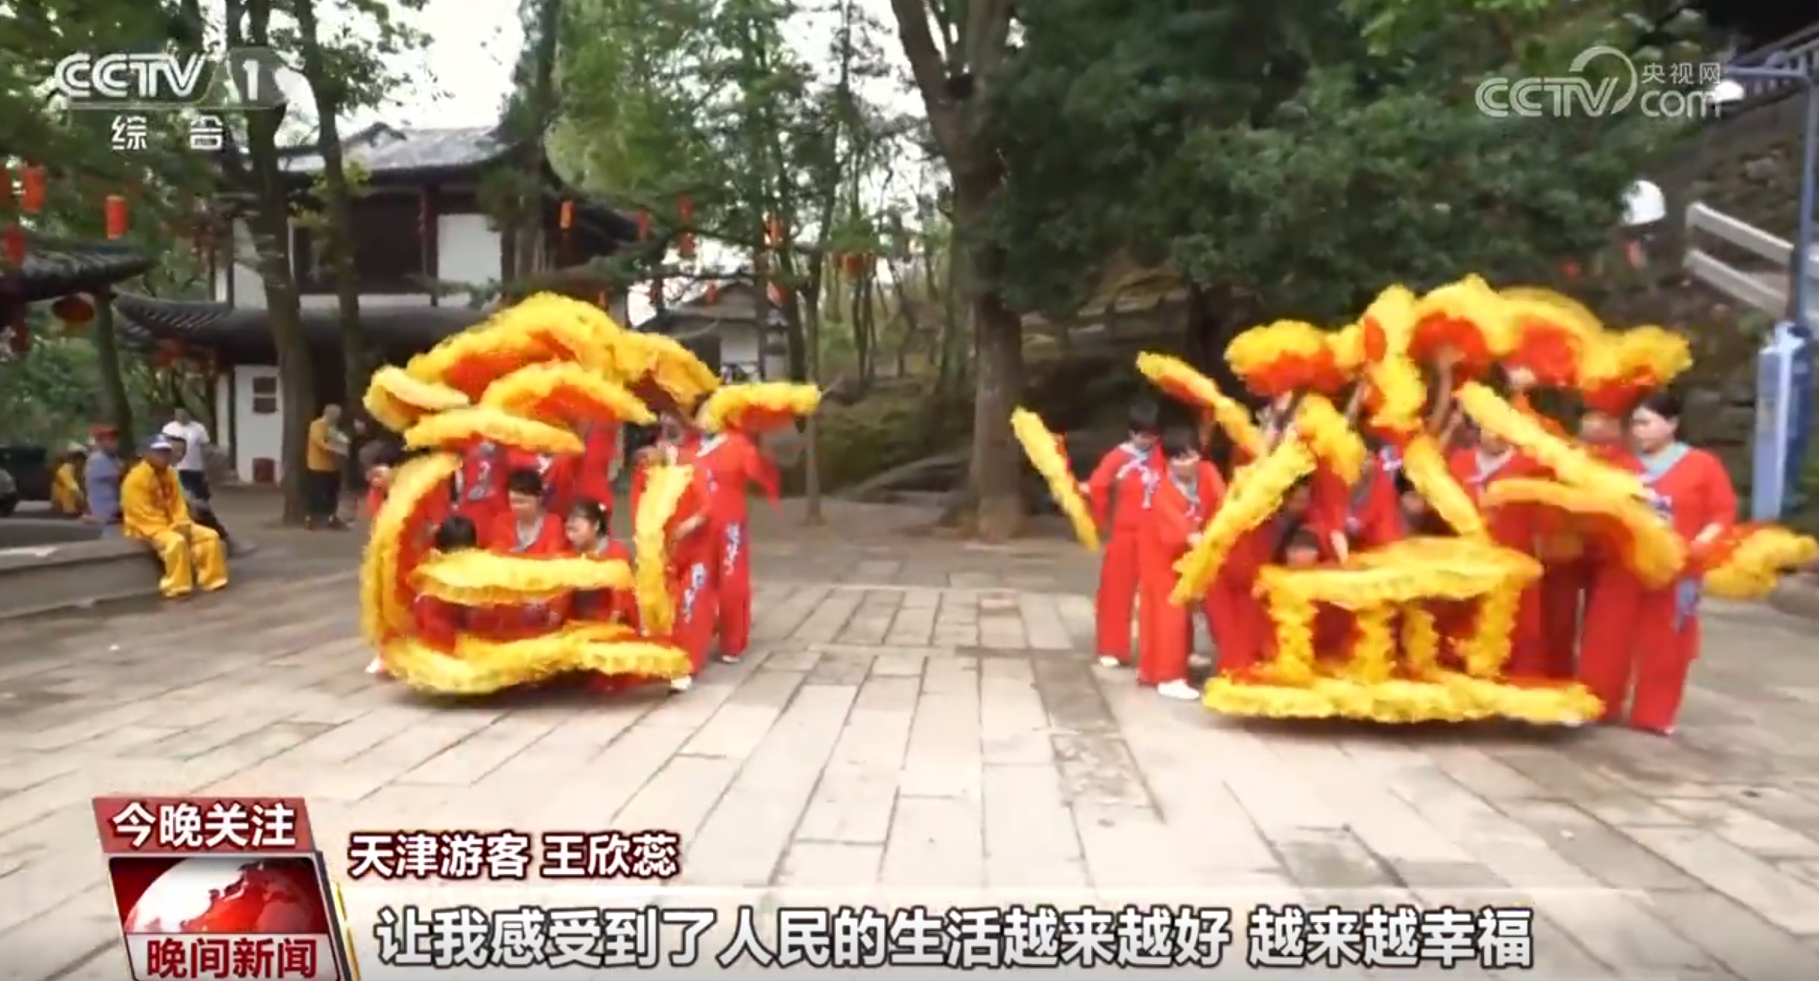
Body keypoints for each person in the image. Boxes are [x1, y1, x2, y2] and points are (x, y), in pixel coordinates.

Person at [1578, 391, 1736, 735]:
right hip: (1622, 564)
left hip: (1678, 568)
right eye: (1635, 424)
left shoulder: (1702, 465)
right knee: (1606, 636)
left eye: (1646, 423)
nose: (1639, 430)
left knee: (1667, 642)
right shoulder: (1619, 464)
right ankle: (1598, 703)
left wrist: (1700, 544)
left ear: (1672, 424)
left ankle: (1655, 714)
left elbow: (1722, 513)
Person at [1447, 425, 1547, 675]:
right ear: (1478, 429)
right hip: (1468, 566)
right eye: (1489, 428)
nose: (1497, 434)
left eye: (1501, 428)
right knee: (1466, 628)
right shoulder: (1459, 462)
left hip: (1515, 565)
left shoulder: (1530, 466)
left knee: (1517, 632)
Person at [1135, 427, 1226, 700]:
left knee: (1183, 613)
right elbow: (1184, 531)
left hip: (1191, 551)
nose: (1187, 463)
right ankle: (1168, 676)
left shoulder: (1208, 471)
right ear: (1168, 460)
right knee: (1169, 614)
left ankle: (1171, 664)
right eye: (1179, 458)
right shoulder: (1161, 489)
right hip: (1162, 554)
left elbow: (1224, 504)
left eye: (1191, 455)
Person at [689, 421, 781, 664]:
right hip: (697, 524)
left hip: (729, 523)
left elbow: (759, 473)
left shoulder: (738, 444)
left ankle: (732, 641)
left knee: (732, 583)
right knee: (697, 581)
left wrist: (757, 445)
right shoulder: (690, 447)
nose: (705, 418)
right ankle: (696, 639)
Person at [1084, 401, 1163, 668]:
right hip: (1125, 531)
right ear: (1131, 432)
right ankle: (1111, 647)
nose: (1148, 440)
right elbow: (1098, 486)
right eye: (1143, 435)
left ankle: (1162, 652)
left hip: (1157, 532)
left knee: (1160, 592)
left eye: (1152, 435)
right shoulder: (1117, 457)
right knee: (1116, 590)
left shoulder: (1162, 455)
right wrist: (1101, 520)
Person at [120, 437, 229, 599]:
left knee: (210, 536)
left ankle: (212, 580)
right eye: (158, 452)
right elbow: (141, 513)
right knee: (175, 542)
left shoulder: (171, 474)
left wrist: (182, 523)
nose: (163, 456)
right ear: (147, 454)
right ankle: (176, 585)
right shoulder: (135, 479)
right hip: (146, 528)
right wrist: (171, 528)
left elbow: (178, 503)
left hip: (173, 523)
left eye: (166, 452)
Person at [477, 468, 569, 638]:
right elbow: (495, 562)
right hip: (507, 604)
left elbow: (559, 570)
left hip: (541, 604)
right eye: (513, 502)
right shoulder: (501, 522)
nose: (516, 507)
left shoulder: (554, 525)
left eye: (523, 502)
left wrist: (555, 608)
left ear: (539, 499)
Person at [564, 498, 636, 625]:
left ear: (596, 526)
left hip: (611, 622)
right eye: (569, 530)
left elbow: (621, 601)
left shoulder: (617, 552)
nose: (571, 536)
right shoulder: (569, 553)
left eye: (576, 530)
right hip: (577, 623)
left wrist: (609, 628)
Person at [306, 404, 349, 530]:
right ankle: (312, 520)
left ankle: (332, 519)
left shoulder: (332, 427)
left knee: (333, 494)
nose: (337, 418)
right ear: (329, 414)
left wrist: (343, 443)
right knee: (318, 494)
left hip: (332, 466)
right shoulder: (317, 425)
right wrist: (335, 449)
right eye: (336, 416)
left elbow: (340, 439)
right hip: (318, 466)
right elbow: (319, 441)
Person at [84, 425, 124, 530]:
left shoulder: (114, 459)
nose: (114, 444)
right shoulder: (98, 459)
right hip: (104, 512)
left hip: (113, 512)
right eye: (109, 440)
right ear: (99, 443)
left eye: (115, 440)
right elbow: (119, 483)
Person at [169, 407, 211, 503]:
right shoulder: (169, 428)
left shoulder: (199, 428)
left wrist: (206, 466)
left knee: (199, 496)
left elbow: (204, 448)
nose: (181, 416)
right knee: (182, 495)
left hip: (196, 467)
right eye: (179, 413)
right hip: (177, 468)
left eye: (184, 413)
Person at [50, 443, 86, 517]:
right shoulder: (65, 469)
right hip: (61, 501)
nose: (79, 461)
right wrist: (81, 498)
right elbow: (72, 487)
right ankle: (71, 509)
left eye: (82, 458)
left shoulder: (84, 470)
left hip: (78, 500)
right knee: (71, 491)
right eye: (77, 458)